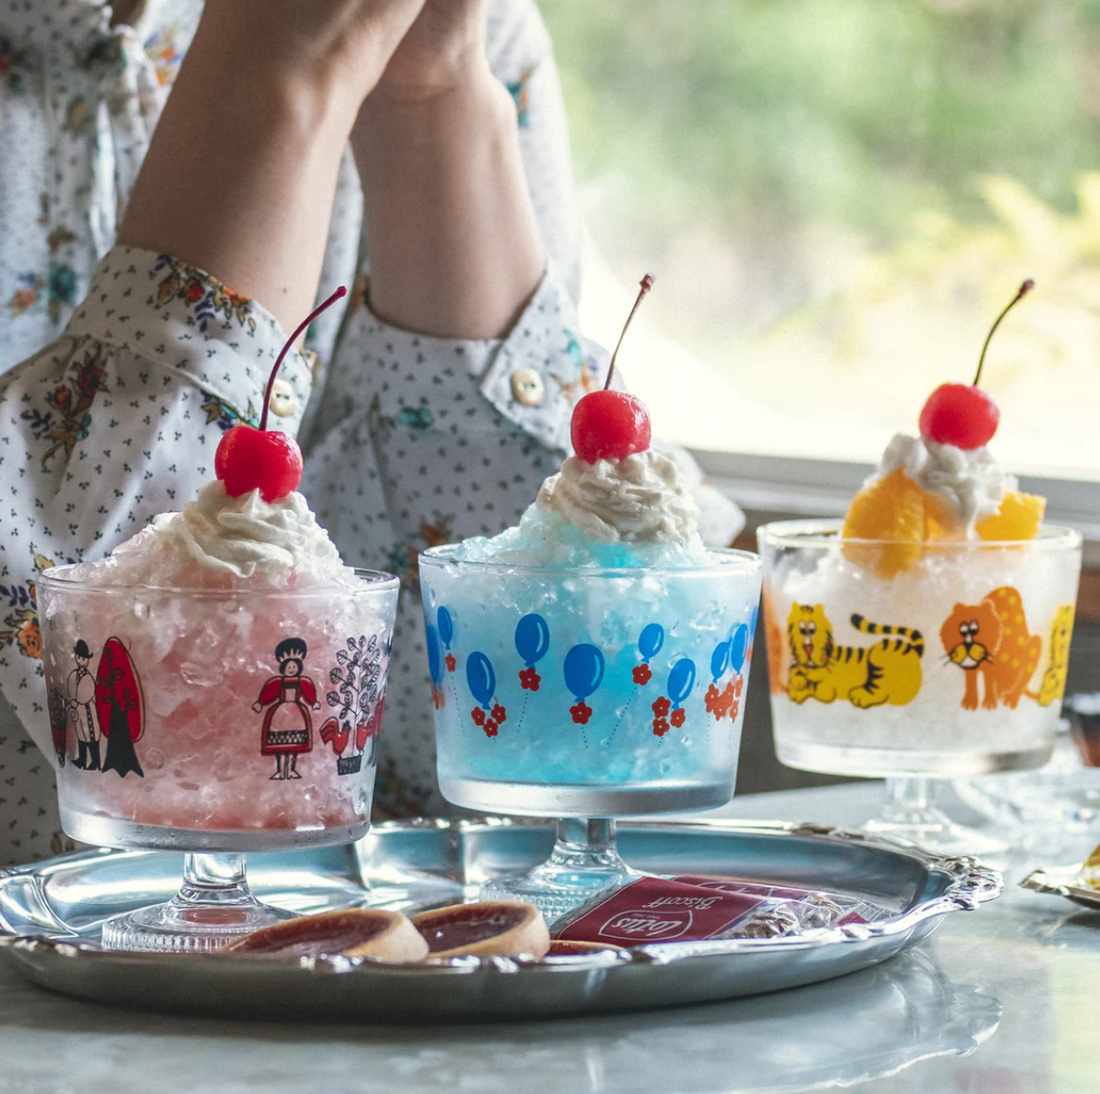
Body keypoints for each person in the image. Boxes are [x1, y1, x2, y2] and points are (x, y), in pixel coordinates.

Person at [0, 0, 741, 866]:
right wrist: (275, 82)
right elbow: (76, 796)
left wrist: (431, 101)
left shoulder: (459, 29)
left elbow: (554, 768)